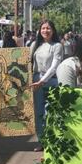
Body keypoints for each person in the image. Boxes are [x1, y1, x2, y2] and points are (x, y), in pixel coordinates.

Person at [28, 20, 64, 151]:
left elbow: (54, 66)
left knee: (50, 113)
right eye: (43, 28)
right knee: (38, 112)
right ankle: (42, 141)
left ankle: (51, 141)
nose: (45, 31)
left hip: (51, 81)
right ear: (39, 30)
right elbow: (26, 61)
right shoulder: (34, 45)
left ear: (53, 30)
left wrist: (42, 80)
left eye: (48, 28)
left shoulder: (57, 46)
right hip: (36, 80)